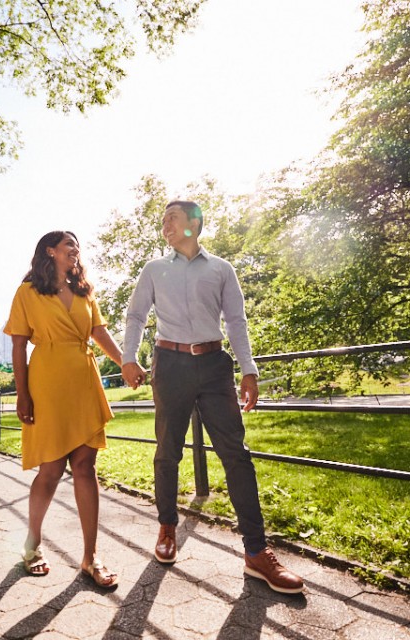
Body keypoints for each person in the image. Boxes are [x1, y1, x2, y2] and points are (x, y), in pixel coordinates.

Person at [121, 200, 305, 595]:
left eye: (172, 218)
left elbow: (236, 321)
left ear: (193, 224)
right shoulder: (154, 269)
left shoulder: (222, 269)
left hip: (214, 365)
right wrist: (128, 357)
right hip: (169, 364)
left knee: (236, 454)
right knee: (167, 450)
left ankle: (257, 552)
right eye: (163, 220)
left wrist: (249, 369)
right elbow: (135, 316)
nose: (165, 224)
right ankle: (167, 527)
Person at [4, 230, 123, 589]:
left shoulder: (86, 291)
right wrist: (22, 395)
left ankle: (90, 557)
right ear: (50, 251)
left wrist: (126, 363)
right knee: (51, 470)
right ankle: (32, 544)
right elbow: (19, 347)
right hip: (48, 383)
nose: (75, 250)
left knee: (86, 468)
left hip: (84, 382)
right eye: (68, 244)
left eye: (77, 246)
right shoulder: (27, 292)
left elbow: (99, 333)